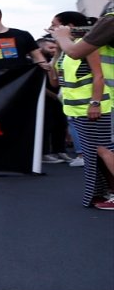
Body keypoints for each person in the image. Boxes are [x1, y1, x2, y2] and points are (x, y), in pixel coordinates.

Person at [49, 12, 114, 210]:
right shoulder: (68, 47)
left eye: (55, 25)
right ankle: (109, 193)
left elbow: (99, 76)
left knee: (104, 149)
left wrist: (95, 103)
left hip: (94, 106)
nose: (52, 29)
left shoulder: (88, 44)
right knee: (96, 151)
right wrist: (58, 50)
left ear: (69, 26)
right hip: (76, 108)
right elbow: (55, 78)